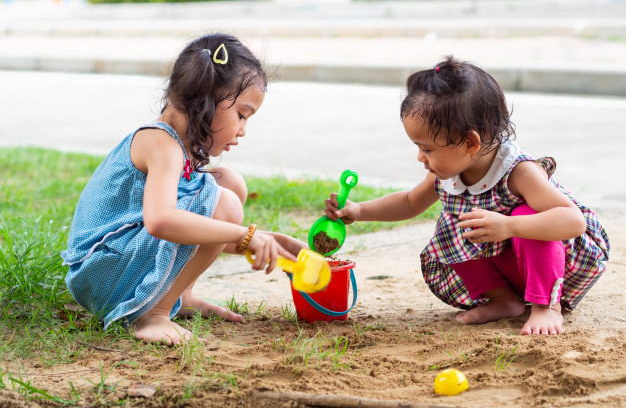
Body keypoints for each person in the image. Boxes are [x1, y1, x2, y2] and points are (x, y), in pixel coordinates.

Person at [324, 56, 610, 336]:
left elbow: (573, 221)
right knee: (457, 223)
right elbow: (411, 201)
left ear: (470, 142)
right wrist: (360, 210)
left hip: (557, 265)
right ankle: (504, 300)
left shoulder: (518, 171)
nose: (420, 157)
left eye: (428, 149)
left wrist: (509, 226)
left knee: (525, 216)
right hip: (509, 267)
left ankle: (546, 305)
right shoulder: (446, 174)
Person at [61, 33, 305, 345]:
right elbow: (161, 221)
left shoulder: (177, 144)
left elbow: (189, 230)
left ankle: (181, 295)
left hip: (118, 258)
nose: (243, 129)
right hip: (100, 274)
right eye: (241, 114)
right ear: (205, 98)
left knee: (228, 183)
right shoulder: (161, 143)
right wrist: (242, 235)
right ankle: (153, 315)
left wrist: (266, 239)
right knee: (224, 203)